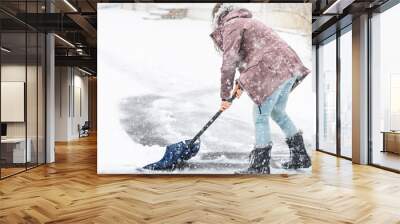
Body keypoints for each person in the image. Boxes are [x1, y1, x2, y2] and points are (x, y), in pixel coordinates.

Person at [210, 4, 312, 174]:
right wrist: (240, 84)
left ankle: (260, 164)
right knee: (278, 112)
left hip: (272, 69)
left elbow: (229, 62)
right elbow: (253, 56)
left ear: (219, 18)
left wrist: (224, 96)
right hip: (288, 66)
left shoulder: (231, 26)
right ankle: (300, 156)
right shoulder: (247, 22)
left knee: (260, 116)